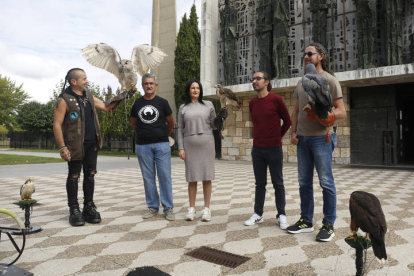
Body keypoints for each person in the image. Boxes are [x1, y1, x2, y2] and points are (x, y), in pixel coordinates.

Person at [287, 42, 346, 242]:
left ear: (320, 56)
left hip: (322, 138)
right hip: (303, 139)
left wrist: (327, 117)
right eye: (304, 54)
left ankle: (328, 224)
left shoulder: (330, 80)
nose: (306, 56)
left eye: (310, 53)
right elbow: (295, 111)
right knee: (304, 183)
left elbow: (341, 111)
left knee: (326, 182)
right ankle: (306, 221)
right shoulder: (302, 81)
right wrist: (293, 132)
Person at [53, 68, 118, 227]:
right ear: (73, 82)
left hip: (91, 144)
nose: (87, 81)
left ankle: (88, 207)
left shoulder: (88, 95)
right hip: (74, 145)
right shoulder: (64, 99)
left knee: (90, 175)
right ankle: (74, 209)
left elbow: (106, 106)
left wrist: (122, 96)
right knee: (74, 176)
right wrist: (62, 147)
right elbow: (57, 125)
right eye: (84, 79)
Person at [244, 71, 291, 229]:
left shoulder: (276, 99)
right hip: (257, 149)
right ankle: (258, 214)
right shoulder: (252, 103)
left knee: (278, 183)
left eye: (258, 78)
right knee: (260, 183)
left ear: (266, 81)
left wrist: (277, 137)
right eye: (253, 79)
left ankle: (281, 215)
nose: (254, 81)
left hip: (274, 149)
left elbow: (288, 121)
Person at [130, 73, 175, 221]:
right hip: (143, 146)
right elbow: (134, 124)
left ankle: (168, 208)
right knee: (148, 178)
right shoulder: (137, 104)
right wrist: (144, 134)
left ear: (156, 85)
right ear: (142, 86)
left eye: (151, 83)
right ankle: (153, 207)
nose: (148, 86)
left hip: (162, 145)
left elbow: (171, 123)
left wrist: (163, 135)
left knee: (165, 176)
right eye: (146, 83)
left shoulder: (163, 102)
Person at [177, 79, 217, 222]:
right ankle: (192, 208)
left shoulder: (208, 105)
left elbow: (214, 125)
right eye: (193, 88)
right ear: (189, 90)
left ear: (200, 90)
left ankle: (207, 209)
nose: (195, 90)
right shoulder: (183, 107)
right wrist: (181, 147)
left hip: (207, 143)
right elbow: (180, 129)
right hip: (190, 145)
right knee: (192, 178)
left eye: (197, 88)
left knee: (207, 177)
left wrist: (220, 120)